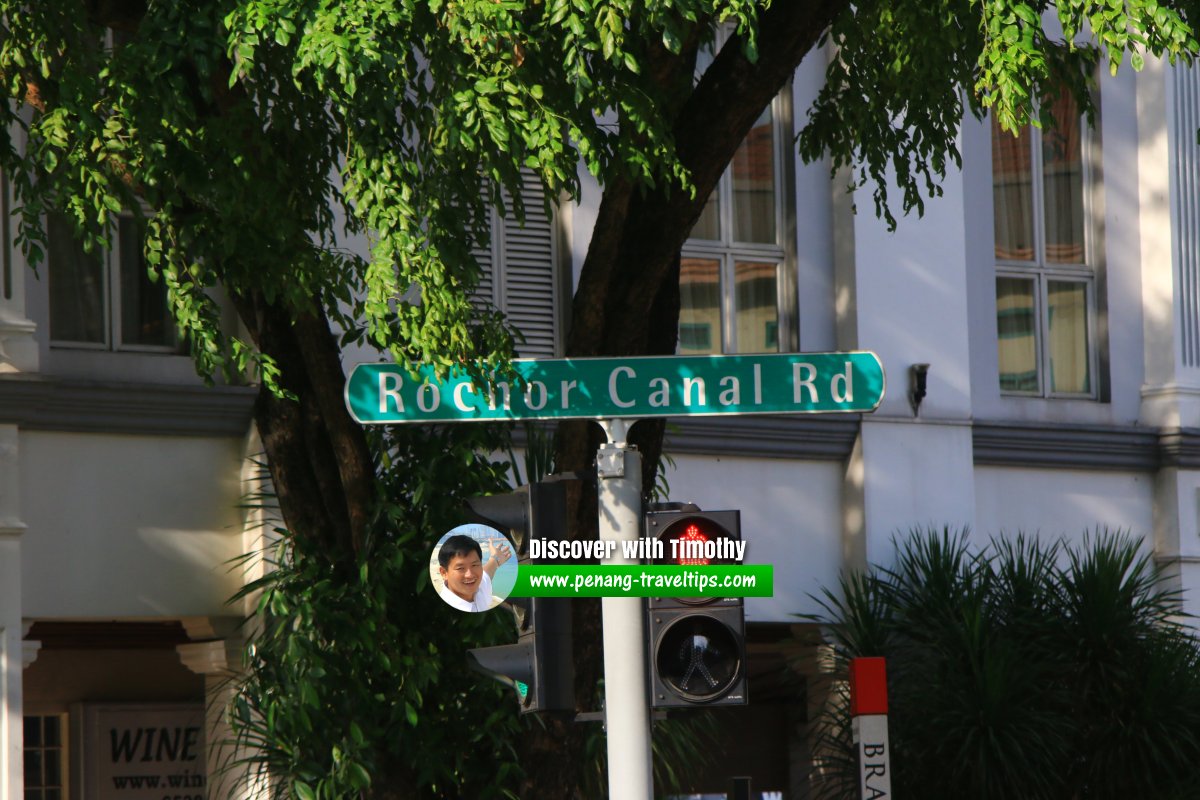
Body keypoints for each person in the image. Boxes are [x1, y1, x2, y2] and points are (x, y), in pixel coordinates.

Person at [437, 533, 512, 612]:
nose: (470, 575)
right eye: (460, 568)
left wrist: (495, 558)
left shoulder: (480, 586)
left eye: (474, 565)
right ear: (444, 573)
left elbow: (487, 573)